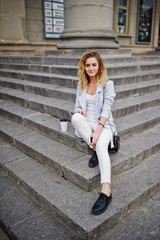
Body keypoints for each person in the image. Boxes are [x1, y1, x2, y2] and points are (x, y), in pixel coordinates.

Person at [71, 50, 116, 215]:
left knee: (102, 146)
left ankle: (106, 191)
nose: (90, 68)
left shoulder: (107, 85)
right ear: (84, 67)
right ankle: (95, 148)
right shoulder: (81, 83)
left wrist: (97, 132)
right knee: (75, 118)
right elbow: (77, 106)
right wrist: (80, 111)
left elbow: (106, 110)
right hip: (86, 123)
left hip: (102, 124)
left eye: (94, 65)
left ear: (99, 66)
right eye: (87, 65)